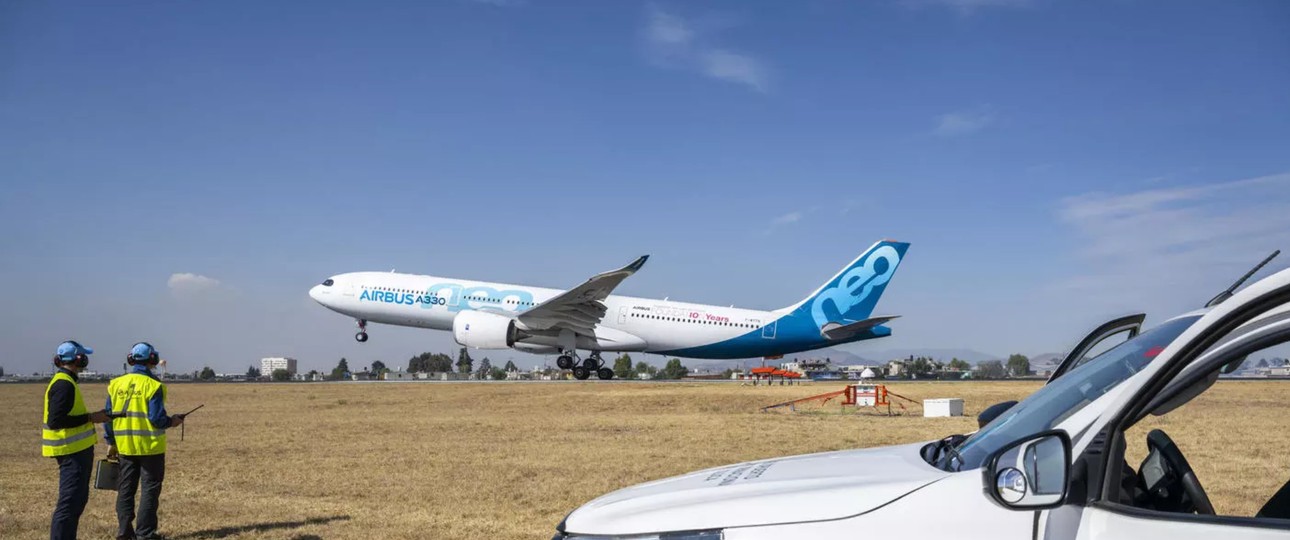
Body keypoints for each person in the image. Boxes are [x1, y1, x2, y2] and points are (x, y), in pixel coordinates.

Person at [105, 342, 185, 540]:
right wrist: (172, 421)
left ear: (131, 359)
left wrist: (111, 441)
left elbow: (108, 417)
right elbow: (157, 419)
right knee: (149, 490)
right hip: (150, 448)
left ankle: (124, 532)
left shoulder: (115, 385)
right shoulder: (153, 385)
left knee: (125, 489)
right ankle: (145, 534)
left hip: (124, 447)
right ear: (153, 359)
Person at [44, 340, 111, 540]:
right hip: (71, 452)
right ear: (79, 359)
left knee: (76, 501)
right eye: (84, 356)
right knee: (69, 503)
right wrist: (91, 417)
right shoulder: (64, 384)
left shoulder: (66, 381)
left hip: (73, 450)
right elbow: (56, 420)